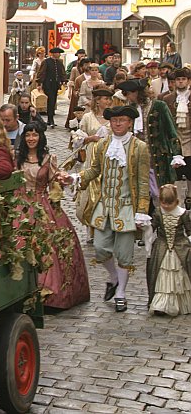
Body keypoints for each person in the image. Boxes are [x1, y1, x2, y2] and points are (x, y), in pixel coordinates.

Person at [60, 105, 151, 313]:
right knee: (100, 248)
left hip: (127, 207)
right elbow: (94, 170)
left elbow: (143, 182)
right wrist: (77, 177)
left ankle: (121, 293)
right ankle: (113, 279)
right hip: (104, 207)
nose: (118, 124)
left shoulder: (140, 148)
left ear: (130, 123)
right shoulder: (103, 145)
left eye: (122, 120)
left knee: (124, 254)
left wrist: (142, 210)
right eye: (114, 120)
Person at [16, 122, 90, 309]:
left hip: (43, 206)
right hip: (21, 207)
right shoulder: (16, 158)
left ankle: (48, 291)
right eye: (28, 135)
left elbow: (55, 179)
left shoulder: (48, 159)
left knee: (48, 247)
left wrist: (63, 179)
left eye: (35, 135)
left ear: (40, 137)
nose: (31, 138)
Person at [119, 78, 184, 204]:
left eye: (127, 93)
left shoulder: (159, 106)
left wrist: (176, 154)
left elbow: (171, 132)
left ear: (136, 92)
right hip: (136, 159)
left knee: (160, 194)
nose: (126, 97)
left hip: (158, 159)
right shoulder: (130, 109)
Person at [71, 86, 113, 239]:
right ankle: (90, 227)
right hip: (91, 156)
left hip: (108, 156)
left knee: (105, 190)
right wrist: (90, 138)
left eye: (109, 99)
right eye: (105, 99)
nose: (108, 102)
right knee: (90, 190)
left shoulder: (112, 117)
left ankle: (104, 226)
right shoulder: (88, 117)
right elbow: (77, 138)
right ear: (97, 101)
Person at [144, 184, 191, 316]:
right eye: (163, 203)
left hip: (180, 247)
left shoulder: (183, 214)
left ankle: (178, 302)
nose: (166, 206)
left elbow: (189, 230)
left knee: (180, 275)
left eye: (169, 204)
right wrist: (146, 227)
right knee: (161, 274)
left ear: (176, 201)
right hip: (162, 246)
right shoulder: (158, 212)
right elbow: (153, 227)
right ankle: (161, 304)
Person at [163, 67, 191, 208]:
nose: (180, 82)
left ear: (188, 81)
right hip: (174, 143)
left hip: (190, 142)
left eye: (183, 79)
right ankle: (177, 203)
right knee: (176, 177)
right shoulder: (167, 99)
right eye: (178, 80)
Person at [36, 47, 66, 127]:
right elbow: (41, 72)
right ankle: (50, 119)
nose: (59, 55)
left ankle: (50, 119)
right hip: (48, 84)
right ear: (53, 53)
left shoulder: (59, 62)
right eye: (58, 53)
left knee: (53, 101)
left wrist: (63, 80)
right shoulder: (46, 62)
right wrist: (39, 83)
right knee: (51, 100)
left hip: (55, 84)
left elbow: (62, 72)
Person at [66, 58, 92, 128]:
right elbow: (73, 85)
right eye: (86, 64)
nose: (88, 66)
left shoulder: (96, 77)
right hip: (80, 97)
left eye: (89, 64)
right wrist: (73, 93)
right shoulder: (78, 76)